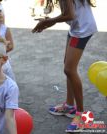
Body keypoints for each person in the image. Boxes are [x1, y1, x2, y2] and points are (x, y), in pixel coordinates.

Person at [32, 0, 97, 131]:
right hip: (77, 28)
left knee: (69, 69)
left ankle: (81, 115)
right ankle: (69, 105)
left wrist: (47, 22)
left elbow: (70, 15)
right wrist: (49, 21)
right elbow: (70, 13)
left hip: (82, 29)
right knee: (68, 67)